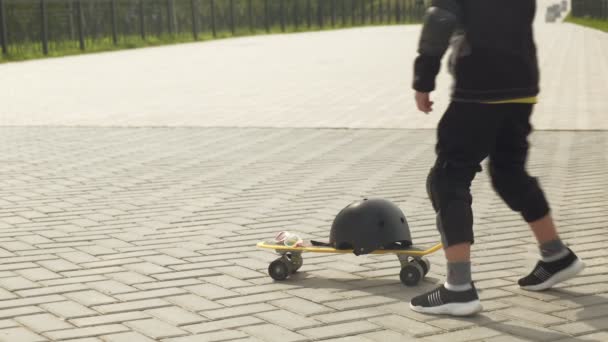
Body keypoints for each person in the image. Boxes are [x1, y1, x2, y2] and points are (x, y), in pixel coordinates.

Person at [409, 0, 585, 316]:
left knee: (448, 176)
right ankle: (556, 254)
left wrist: (423, 80)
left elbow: (440, 18)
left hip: (481, 86)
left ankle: (458, 288)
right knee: (509, 172)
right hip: (522, 82)